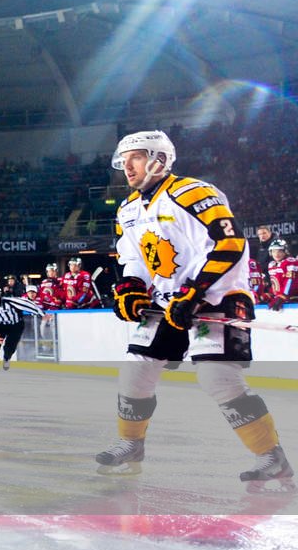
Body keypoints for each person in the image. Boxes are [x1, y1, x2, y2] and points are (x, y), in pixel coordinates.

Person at [97, 131, 289, 482]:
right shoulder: (128, 209)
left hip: (218, 297)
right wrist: (131, 287)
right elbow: (133, 258)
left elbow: (229, 243)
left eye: (135, 157)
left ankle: (271, 456)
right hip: (168, 302)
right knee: (135, 371)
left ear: (159, 159)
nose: (127, 166)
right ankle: (131, 444)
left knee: (218, 377)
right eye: (123, 160)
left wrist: (195, 292)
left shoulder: (193, 192)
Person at [0, 288, 41, 373]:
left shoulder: (9, 301)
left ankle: (6, 358)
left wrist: (42, 313)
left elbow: (26, 303)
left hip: (15, 325)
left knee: (10, 345)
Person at [269, 240, 297, 311]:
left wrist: (282, 297)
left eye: (280, 251)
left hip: (291, 299)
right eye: (274, 251)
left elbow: (290, 282)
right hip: (279, 298)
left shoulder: (290, 262)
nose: (276, 254)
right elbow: (275, 284)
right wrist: (270, 294)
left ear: (285, 251)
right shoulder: (272, 265)